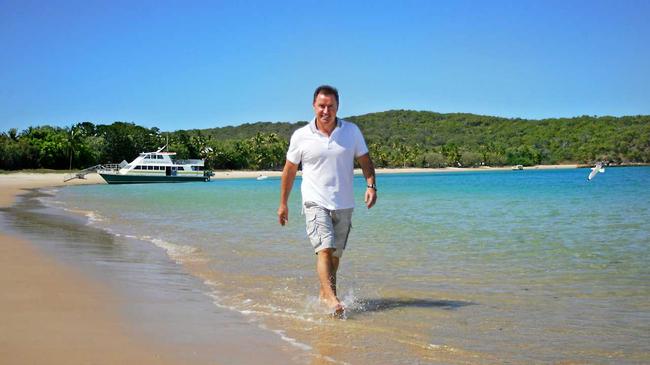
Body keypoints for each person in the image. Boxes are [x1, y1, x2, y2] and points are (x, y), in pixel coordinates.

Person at [277, 85, 377, 316]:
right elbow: (289, 170)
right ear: (314, 106)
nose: (326, 111)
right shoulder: (301, 136)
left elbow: (365, 160)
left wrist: (371, 185)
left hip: (344, 203)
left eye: (330, 106)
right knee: (324, 248)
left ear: (337, 107)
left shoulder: (351, 131)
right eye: (321, 106)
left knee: (334, 256)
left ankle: (325, 294)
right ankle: (333, 300)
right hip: (314, 201)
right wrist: (283, 203)